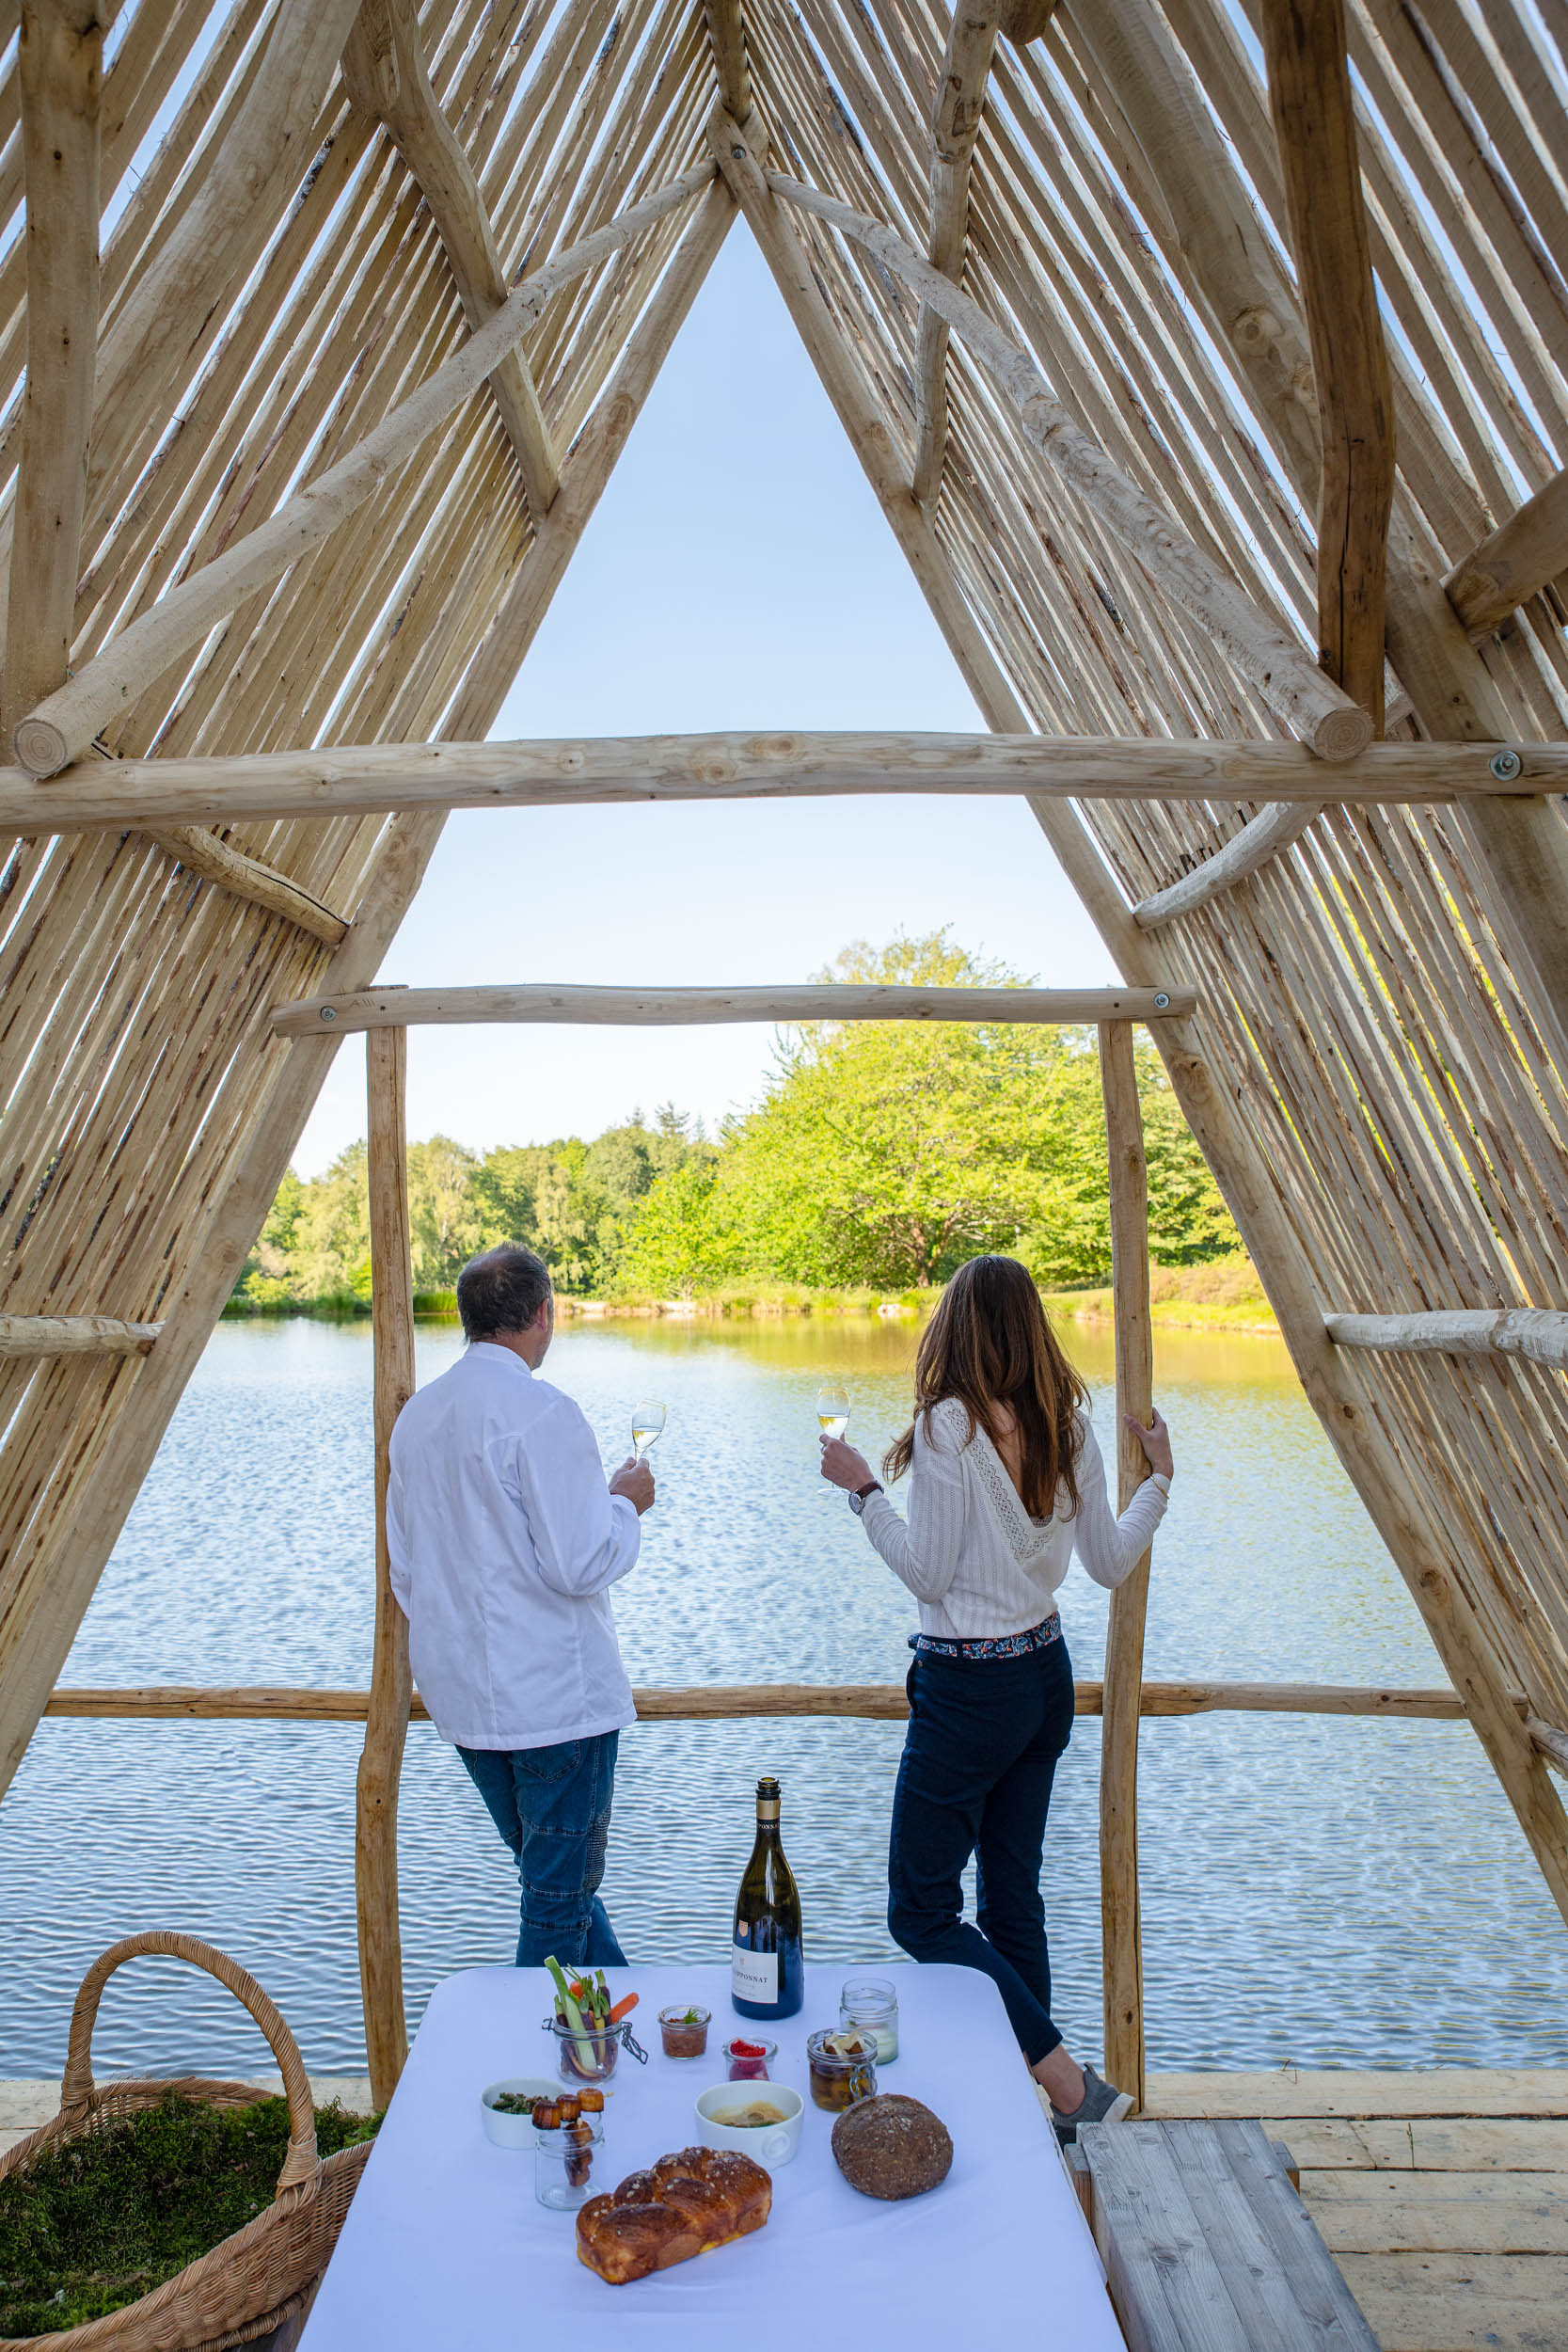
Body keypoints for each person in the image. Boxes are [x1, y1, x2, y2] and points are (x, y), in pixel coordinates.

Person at [818, 1253, 1173, 2139]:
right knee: (1011, 1900)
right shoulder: (1066, 1424)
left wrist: (862, 1492)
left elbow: (926, 1574)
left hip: (968, 1689)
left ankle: (1067, 2086)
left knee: (920, 1910)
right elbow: (1108, 1563)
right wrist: (1159, 1483)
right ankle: (1035, 2110)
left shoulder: (947, 1427)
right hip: (1042, 1677)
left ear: (955, 1329)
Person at [387, 1243, 654, 1967]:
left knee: (556, 1888)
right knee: (557, 1902)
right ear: (543, 1313)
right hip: (554, 1702)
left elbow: (406, 1573)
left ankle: (619, 2025)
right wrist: (624, 1506)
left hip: (465, 1698)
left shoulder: (418, 1417)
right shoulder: (543, 1413)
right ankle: (538, 2042)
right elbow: (580, 1563)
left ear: (467, 1318)